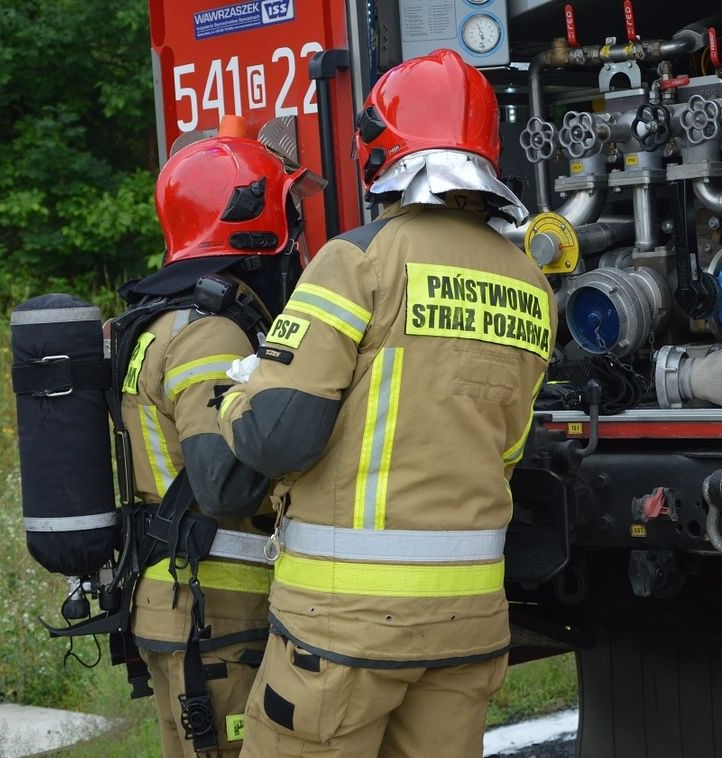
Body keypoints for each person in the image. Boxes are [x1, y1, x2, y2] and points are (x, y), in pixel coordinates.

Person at [217, 49, 558, 757]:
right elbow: (507, 445)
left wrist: (234, 397)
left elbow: (278, 435)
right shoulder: (531, 282)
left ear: (380, 148)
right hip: (467, 625)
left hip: (346, 626)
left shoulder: (358, 260)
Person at [118, 127, 311, 757]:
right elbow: (223, 485)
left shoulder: (160, 319)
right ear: (254, 228)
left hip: (174, 604)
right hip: (219, 614)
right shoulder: (212, 333)